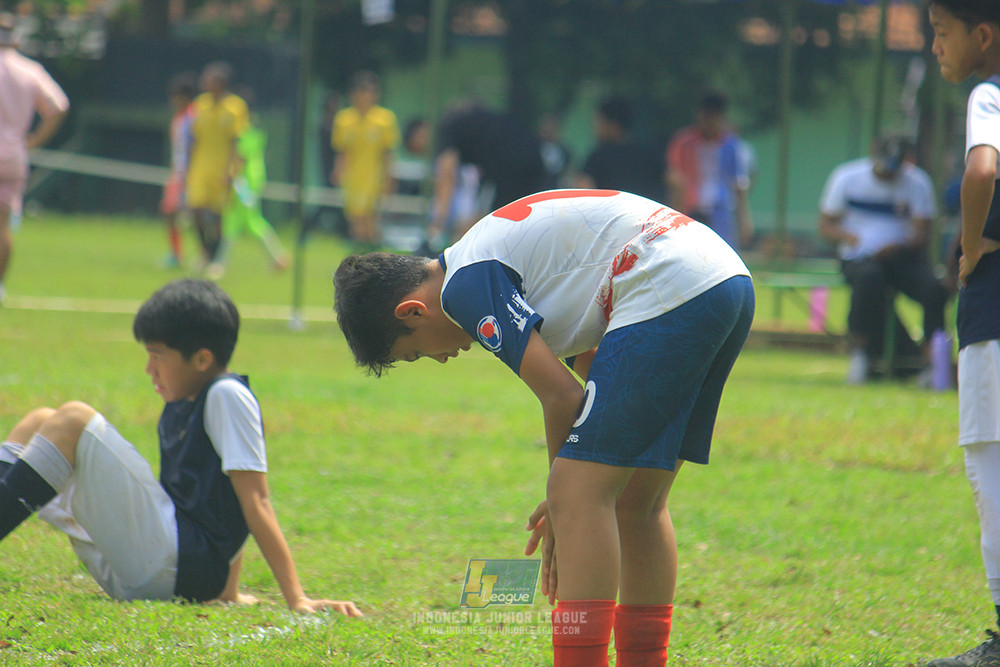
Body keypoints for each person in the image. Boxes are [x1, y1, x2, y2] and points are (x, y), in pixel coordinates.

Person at [334, 189, 754, 666]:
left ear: (412, 311)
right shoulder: (492, 262)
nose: (438, 358)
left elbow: (562, 397)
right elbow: (599, 371)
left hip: (671, 281)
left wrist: (565, 504)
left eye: (414, 353)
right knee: (638, 499)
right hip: (723, 277)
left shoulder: (464, 288)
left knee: (580, 492)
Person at [0, 279, 362, 616]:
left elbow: (254, 500)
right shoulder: (187, 398)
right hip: (161, 568)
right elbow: (216, 500)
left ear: (202, 359)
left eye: (158, 356)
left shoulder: (226, 395)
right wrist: (228, 592)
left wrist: (296, 598)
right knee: (40, 420)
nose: (149, 368)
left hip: (175, 568)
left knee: (73, 418)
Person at [925, 2, 1000, 665]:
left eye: (942, 32)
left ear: (983, 36)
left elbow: (982, 170)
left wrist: (972, 247)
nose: (934, 46)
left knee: (990, 464)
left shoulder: (990, 90)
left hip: (995, 316)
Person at [818, 135, 948, 385]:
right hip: (860, 258)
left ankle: (931, 362)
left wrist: (900, 246)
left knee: (934, 290)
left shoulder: (918, 182)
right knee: (868, 280)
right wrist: (848, 237)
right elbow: (825, 225)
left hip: (903, 257)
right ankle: (861, 352)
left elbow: (923, 232)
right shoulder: (846, 177)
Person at [0, 11, 69, 303]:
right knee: (3, 227)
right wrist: (35, 141)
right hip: (14, 155)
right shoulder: (29, 70)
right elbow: (59, 106)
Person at [422, 101, 546, 252]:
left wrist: (438, 222)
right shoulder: (478, 124)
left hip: (510, 162)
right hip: (534, 156)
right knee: (517, 225)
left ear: (420, 132)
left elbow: (447, 175)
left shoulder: (449, 126)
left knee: (500, 224)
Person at [666, 91, 753, 250]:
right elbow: (674, 178)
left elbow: (738, 184)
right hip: (690, 208)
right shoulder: (683, 142)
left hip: (721, 210)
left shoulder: (731, 145)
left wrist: (744, 219)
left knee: (722, 253)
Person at [186, 62, 248, 279]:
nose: (205, 83)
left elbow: (236, 142)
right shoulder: (199, 105)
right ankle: (206, 251)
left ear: (220, 83)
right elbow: (193, 138)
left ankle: (215, 260)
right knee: (195, 210)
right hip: (200, 168)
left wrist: (232, 170)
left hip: (222, 169)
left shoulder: (235, 107)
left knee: (218, 215)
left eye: (209, 79)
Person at [219, 86, 289, 271]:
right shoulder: (255, 128)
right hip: (252, 178)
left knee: (239, 220)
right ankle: (278, 257)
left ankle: (220, 263)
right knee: (246, 220)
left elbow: (240, 158)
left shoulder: (246, 130)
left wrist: (230, 176)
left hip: (246, 181)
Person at [331, 71, 400, 247]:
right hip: (353, 178)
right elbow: (342, 151)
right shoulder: (344, 119)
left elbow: (388, 152)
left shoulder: (384, 119)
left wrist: (389, 178)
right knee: (355, 220)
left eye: (370, 92)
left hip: (375, 177)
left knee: (370, 220)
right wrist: (338, 171)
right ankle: (360, 261)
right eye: (362, 92)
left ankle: (374, 258)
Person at [577, 97, 664, 203]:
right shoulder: (648, 152)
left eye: (599, 121)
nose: (595, 126)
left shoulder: (598, 156)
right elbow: (676, 182)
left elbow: (584, 190)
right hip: (648, 216)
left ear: (613, 125)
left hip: (611, 217)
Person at [160, 72, 197, 269]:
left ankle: (203, 255)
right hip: (178, 173)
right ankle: (176, 254)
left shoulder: (194, 116)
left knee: (197, 216)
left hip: (191, 174)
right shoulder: (178, 118)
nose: (173, 100)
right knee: (170, 212)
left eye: (177, 95)